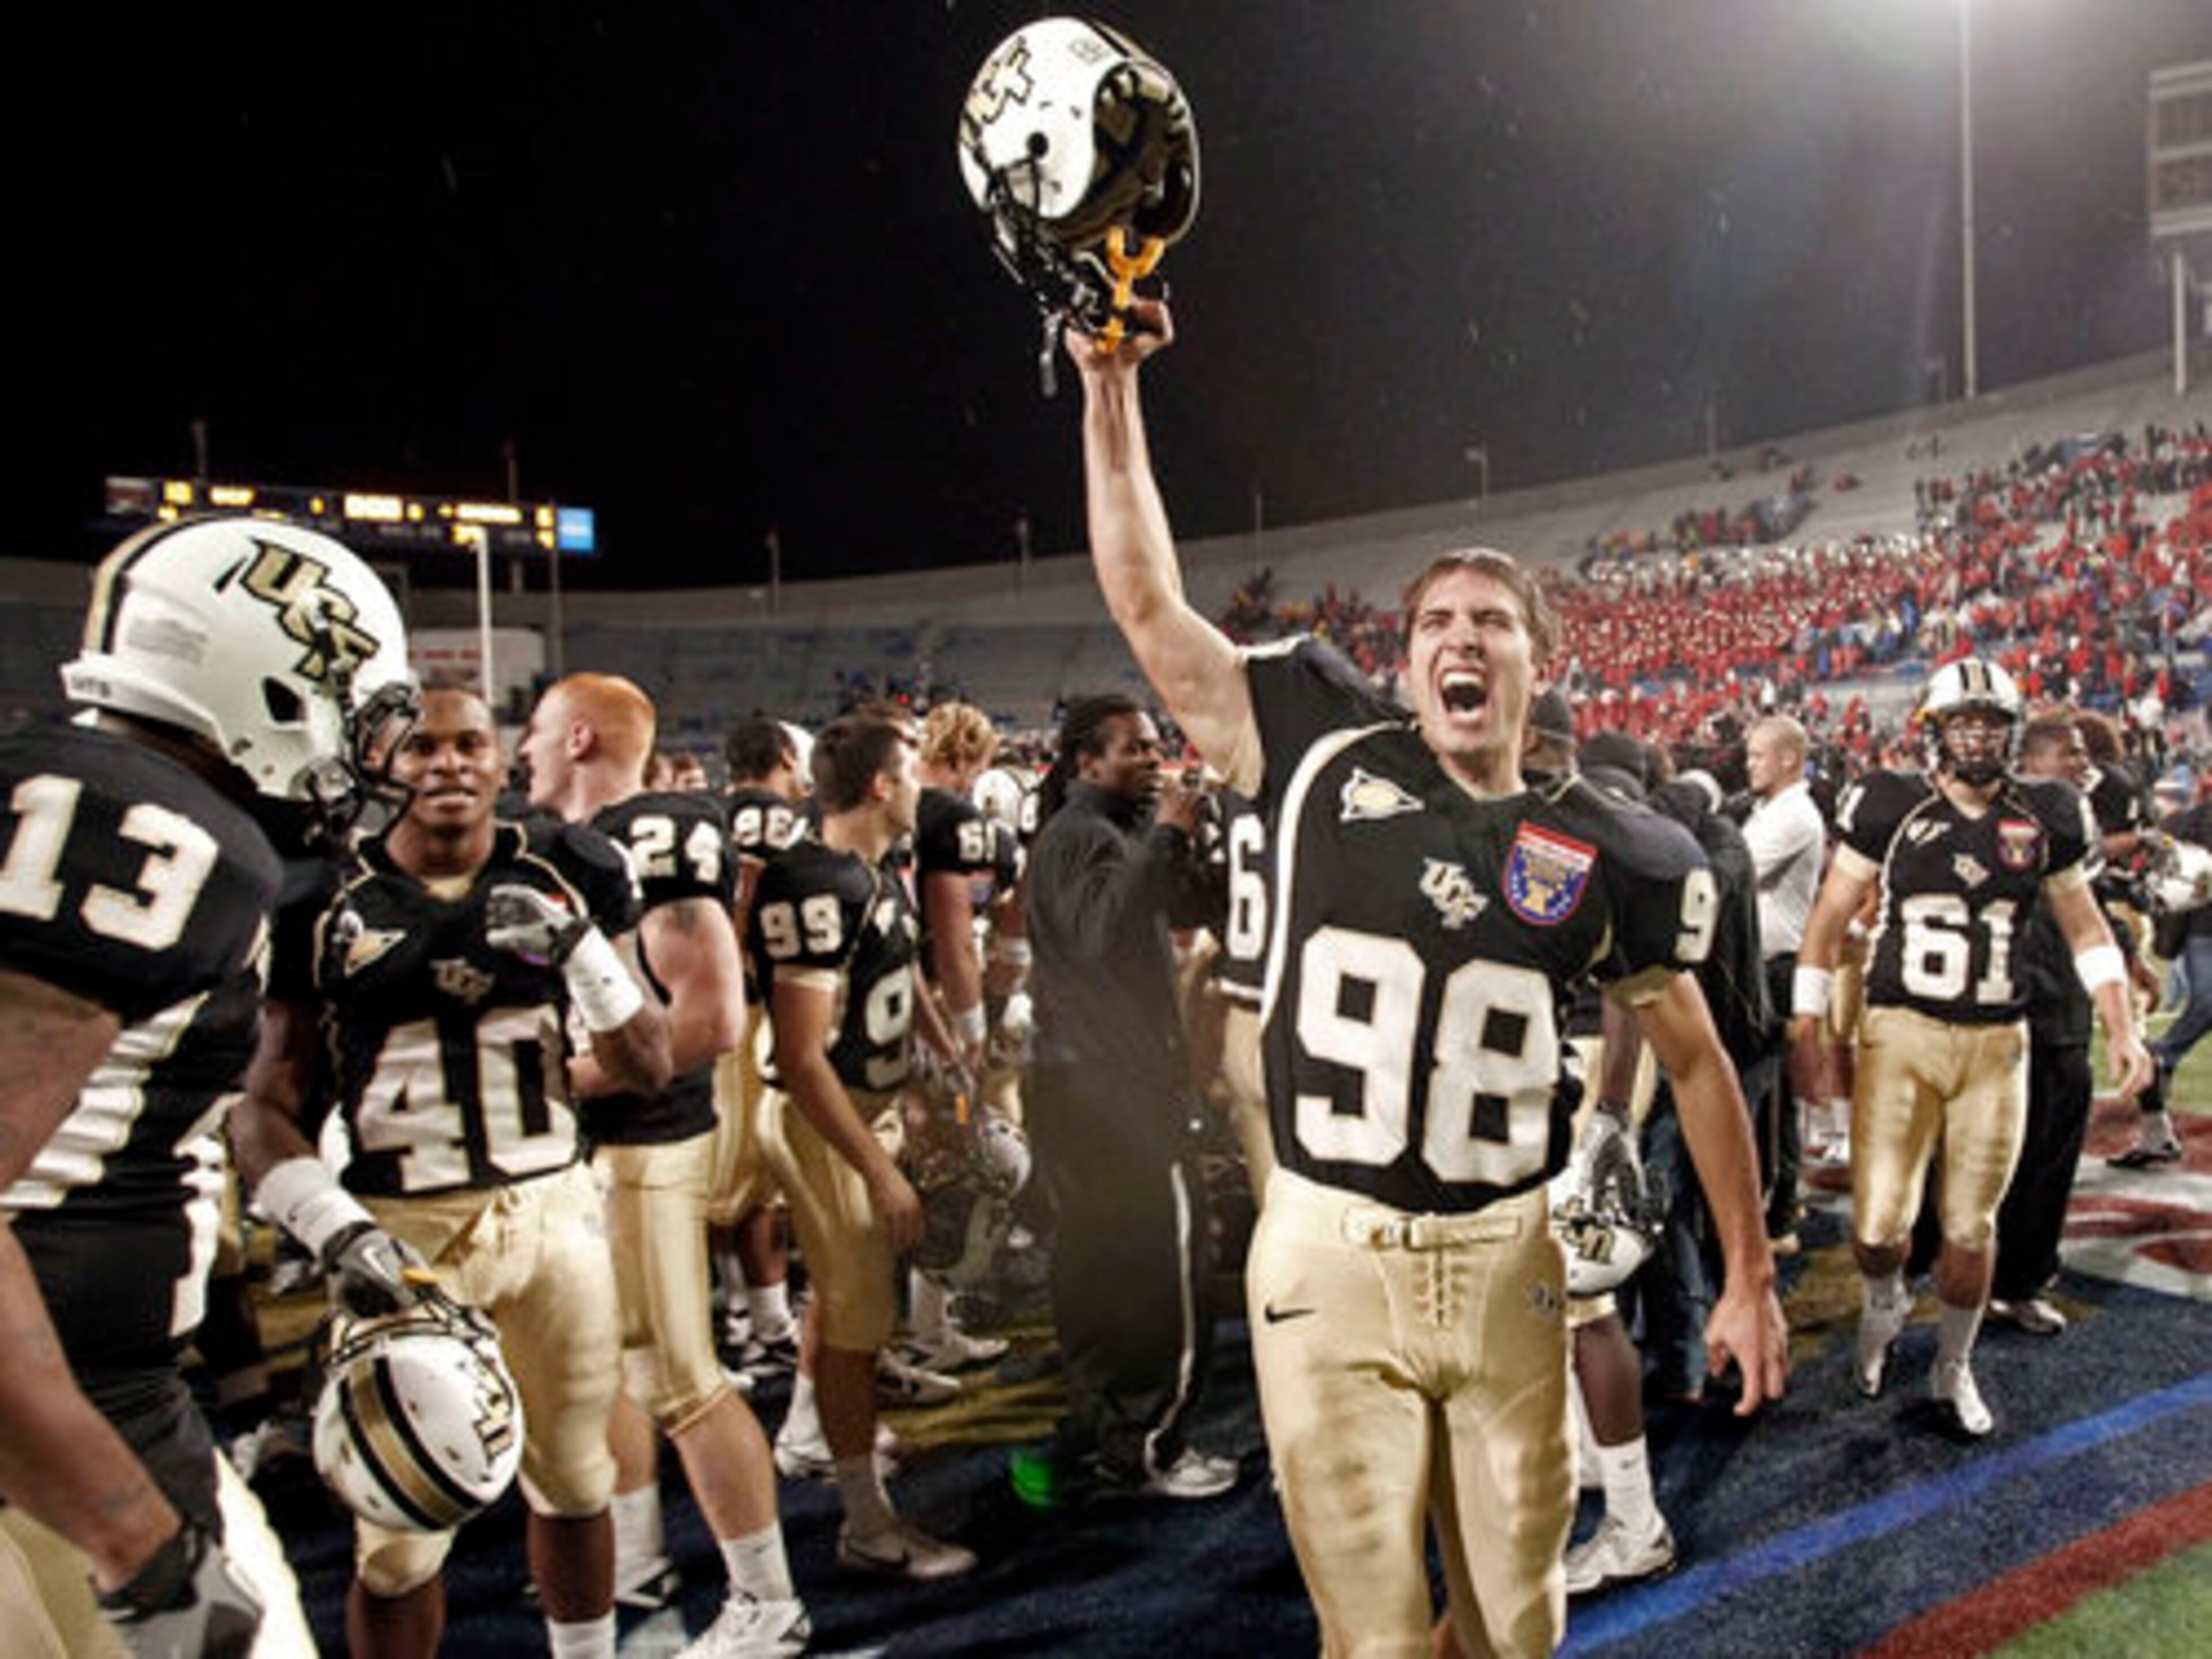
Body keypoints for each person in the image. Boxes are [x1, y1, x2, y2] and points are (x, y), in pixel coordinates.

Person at [1067, 302, 1786, 1655]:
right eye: (1436, 620)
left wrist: (1745, 1271)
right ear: (1404, 663)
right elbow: (1145, 605)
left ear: (1537, 657)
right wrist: (1110, 391)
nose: (1461, 637)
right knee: (1376, 1634)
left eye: (1491, 620)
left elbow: (1691, 1053)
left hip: (1510, 1250)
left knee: (1517, 1627)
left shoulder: (1602, 848)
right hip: (1329, 1248)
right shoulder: (1316, 751)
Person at [1, 516, 412, 1659]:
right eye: (360, 712)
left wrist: (336, 1233)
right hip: (73, 1433)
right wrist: (143, 1545)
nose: (369, 756)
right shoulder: (152, 830)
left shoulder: (62, 784)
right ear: (276, 686)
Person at [232, 681, 671, 1659]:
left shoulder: (570, 870)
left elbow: (649, 1064)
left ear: (501, 753)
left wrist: (583, 952)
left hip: (556, 1215)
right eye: (422, 747)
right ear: (384, 764)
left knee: (577, 1481)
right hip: (405, 1234)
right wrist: (335, 1228)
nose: (447, 764)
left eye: (468, 743)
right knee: (397, 1536)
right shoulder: (322, 899)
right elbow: (261, 1109)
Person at [519, 674, 807, 1659]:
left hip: (646, 1143)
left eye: (538, 729)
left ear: (583, 738)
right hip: (596, 1148)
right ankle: (634, 1556)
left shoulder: (653, 834)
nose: (523, 748)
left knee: (681, 1377)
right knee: (602, 1373)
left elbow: (712, 1017)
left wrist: (561, 1081)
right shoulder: (561, 845)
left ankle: (769, 1601)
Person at [1789, 660, 2153, 1440]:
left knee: (1970, 1228)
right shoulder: (1890, 804)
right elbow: (1828, 915)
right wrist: (1805, 1022)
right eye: (1964, 723)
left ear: (2011, 732)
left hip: (1997, 1042)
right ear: (1936, 731)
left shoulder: (2046, 813)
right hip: (1901, 1033)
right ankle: (1885, 1298)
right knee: (1879, 1229)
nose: (1979, 737)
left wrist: (2122, 1023)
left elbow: (2086, 926)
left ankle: (1953, 1366)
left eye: (1992, 723)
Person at [750, 710, 976, 1580]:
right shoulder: (817, 881)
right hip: (828, 1117)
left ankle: (821, 1433)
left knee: (849, 1312)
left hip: (867, 1104)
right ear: (881, 785)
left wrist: (941, 1055)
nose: (922, 784)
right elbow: (803, 1060)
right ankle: (866, 1524)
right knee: (857, 1321)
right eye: (911, 768)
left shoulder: (871, 872)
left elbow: (903, 965)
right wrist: (880, 1170)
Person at [1018, 694, 1235, 1504]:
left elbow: (1186, 905)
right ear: (1086, 763)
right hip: (1110, 1094)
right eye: (1136, 749)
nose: (1154, 759)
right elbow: (1105, 926)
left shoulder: (1105, 833)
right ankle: (1151, 1442)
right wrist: (1172, 831)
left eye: (1155, 747)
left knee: (1103, 1268)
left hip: (1088, 1089)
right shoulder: (1079, 836)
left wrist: (1187, 842)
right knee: (1161, 1270)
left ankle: (1109, 1426)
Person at [902, 700, 1016, 1376]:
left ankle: (924, 1324)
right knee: (949, 1164)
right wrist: (970, 1032)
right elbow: (954, 943)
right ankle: (925, 1327)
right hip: (925, 1012)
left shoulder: (886, 807)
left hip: (879, 1004)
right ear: (967, 756)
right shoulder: (947, 816)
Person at [1982, 712, 2103, 1335]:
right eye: (2070, 753)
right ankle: (1970, 1270)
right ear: (2033, 760)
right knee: (1985, 1160)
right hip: (2007, 1012)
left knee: (2051, 1159)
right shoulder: (1995, 817)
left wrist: (2126, 967)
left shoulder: (2072, 818)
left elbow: (2087, 913)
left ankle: (2023, 1279)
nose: (2084, 763)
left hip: (2066, 1015)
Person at [712, 718, 810, 1379]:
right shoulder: (779, 822)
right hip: (750, 1008)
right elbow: (748, 901)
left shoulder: (709, 814)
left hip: (704, 1007)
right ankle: (765, 1322)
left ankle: (740, 1312)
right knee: (756, 1175)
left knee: (725, 1173)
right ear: (782, 757)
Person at [1740, 716, 1830, 1202]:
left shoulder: (1793, 815)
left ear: (1788, 759)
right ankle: (1772, 1196)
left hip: (1777, 967)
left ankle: (1775, 1201)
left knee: (1771, 1096)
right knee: (1764, 1092)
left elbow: (1733, 870)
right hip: (1766, 963)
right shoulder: (1772, 808)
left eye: (1758, 756)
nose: (1749, 765)